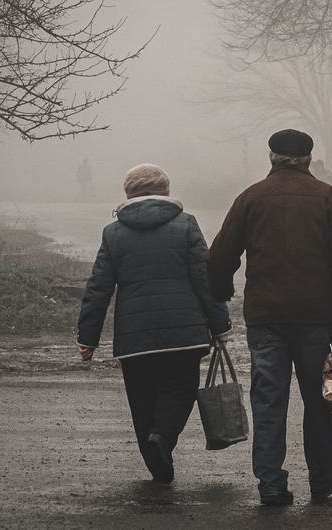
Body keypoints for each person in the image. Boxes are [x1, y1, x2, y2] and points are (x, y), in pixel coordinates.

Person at [208, 129, 332, 506]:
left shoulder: (251, 198)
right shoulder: (329, 198)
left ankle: (271, 483)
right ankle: (324, 477)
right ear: (309, 160)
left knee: (269, 399)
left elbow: (219, 256)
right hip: (315, 316)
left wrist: (221, 293)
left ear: (271, 158)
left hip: (265, 317)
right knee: (319, 398)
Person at [77, 163, 231, 484]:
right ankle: (163, 437)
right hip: (183, 333)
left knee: (142, 399)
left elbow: (99, 287)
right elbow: (205, 278)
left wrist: (87, 337)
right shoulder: (186, 225)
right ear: (165, 191)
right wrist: (220, 325)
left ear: (128, 193)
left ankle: (158, 464)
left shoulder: (114, 232)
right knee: (180, 390)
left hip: (135, 338)